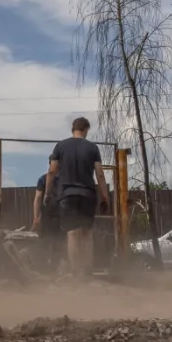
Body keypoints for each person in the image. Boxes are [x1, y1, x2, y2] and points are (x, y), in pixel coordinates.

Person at [46, 117, 110, 280]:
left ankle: (75, 272)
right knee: (87, 234)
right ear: (86, 129)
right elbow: (100, 174)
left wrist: (47, 192)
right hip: (88, 195)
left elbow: (52, 171)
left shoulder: (60, 146)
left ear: (72, 129)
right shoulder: (92, 148)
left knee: (72, 233)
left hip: (67, 195)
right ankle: (86, 271)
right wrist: (105, 197)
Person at [31, 154, 64, 273]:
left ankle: (51, 269)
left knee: (53, 244)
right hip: (52, 215)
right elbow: (38, 198)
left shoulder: (46, 179)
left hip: (56, 215)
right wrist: (36, 216)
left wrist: (36, 216)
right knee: (49, 243)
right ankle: (48, 268)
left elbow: (38, 197)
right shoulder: (44, 179)